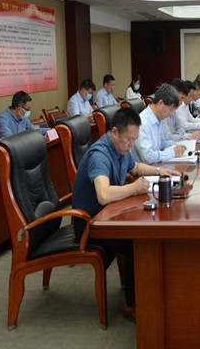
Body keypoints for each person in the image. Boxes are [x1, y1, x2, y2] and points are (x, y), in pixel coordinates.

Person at [71, 107, 180, 323]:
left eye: (134, 140)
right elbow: (103, 195)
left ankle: (149, 291)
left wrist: (161, 172)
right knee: (136, 243)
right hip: (90, 225)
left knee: (147, 230)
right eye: (129, 139)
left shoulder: (120, 148)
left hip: (110, 215)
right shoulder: (100, 155)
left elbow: (135, 167)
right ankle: (132, 305)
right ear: (114, 132)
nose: (131, 144)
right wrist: (134, 188)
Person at [132, 83, 189, 164]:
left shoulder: (157, 119)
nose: (170, 114)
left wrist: (179, 144)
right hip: (144, 169)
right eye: (170, 109)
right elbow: (147, 157)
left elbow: (162, 144)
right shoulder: (143, 122)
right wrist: (173, 153)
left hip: (156, 166)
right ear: (161, 103)